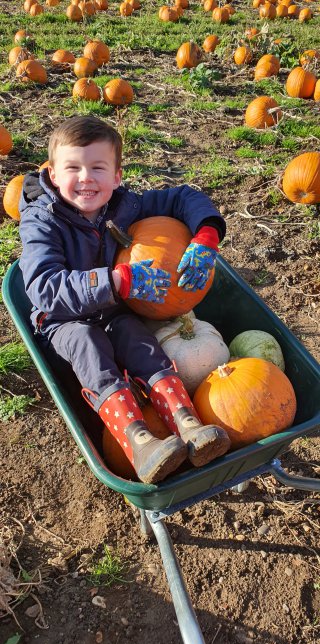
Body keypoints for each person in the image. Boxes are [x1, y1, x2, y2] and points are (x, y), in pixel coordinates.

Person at [19, 115, 230, 484]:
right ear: (52, 174)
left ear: (117, 176)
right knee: (89, 346)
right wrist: (115, 281)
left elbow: (183, 196)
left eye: (98, 168)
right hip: (63, 320)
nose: (86, 178)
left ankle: (188, 424)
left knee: (140, 341)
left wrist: (207, 233)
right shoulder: (42, 221)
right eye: (73, 168)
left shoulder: (123, 206)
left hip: (115, 308)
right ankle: (139, 443)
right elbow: (44, 286)